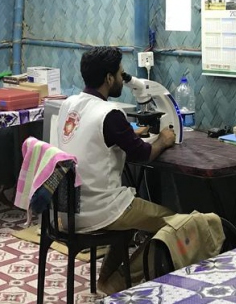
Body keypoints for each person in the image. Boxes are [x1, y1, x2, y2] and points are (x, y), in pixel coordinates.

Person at [55, 46, 177, 295]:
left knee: (133, 219)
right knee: (173, 224)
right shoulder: (110, 113)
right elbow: (142, 154)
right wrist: (164, 139)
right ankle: (116, 283)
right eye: (121, 74)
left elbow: (93, 138)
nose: (123, 78)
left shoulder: (69, 104)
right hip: (100, 209)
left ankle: (103, 281)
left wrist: (128, 134)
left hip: (67, 210)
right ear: (109, 78)